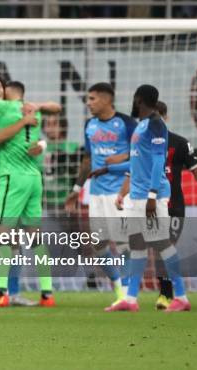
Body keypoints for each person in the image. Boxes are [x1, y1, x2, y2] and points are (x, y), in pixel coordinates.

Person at [0, 81, 61, 308]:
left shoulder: (7, 109)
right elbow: (54, 109)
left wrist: (41, 141)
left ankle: (3, 293)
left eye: (0, 87)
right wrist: (32, 114)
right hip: (3, 182)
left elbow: (5, 135)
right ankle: (45, 293)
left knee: (5, 237)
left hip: (10, 178)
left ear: (7, 93)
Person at [107, 84, 189, 312]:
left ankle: (181, 296)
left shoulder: (155, 124)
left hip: (150, 196)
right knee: (137, 245)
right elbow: (137, 162)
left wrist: (152, 195)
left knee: (162, 243)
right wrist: (109, 169)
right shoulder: (142, 125)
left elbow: (156, 162)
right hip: (137, 195)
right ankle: (131, 299)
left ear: (139, 99)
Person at [65, 82, 136, 305]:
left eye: (92, 99)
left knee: (124, 243)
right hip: (95, 193)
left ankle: (126, 294)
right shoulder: (89, 125)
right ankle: (118, 287)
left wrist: (122, 157)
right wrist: (77, 189)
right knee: (98, 244)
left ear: (107, 100)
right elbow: (87, 158)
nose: (88, 103)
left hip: (120, 192)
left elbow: (142, 154)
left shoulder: (126, 123)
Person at [153, 101, 197, 309]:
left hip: (173, 206)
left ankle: (171, 295)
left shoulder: (179, 143)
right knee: (157, 250)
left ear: (165, 116)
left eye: (156, 117)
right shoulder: (142, 142)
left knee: (166, 248)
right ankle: (167, 294)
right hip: (150, 204)